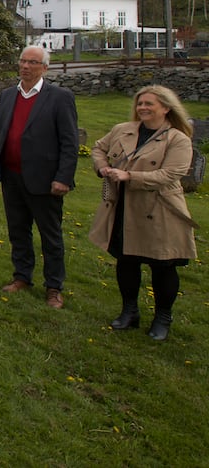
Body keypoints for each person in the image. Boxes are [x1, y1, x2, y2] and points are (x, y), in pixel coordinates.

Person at [90, 85, 198, 341]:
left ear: (166, 107)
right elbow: (98, 148)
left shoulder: (177, 139)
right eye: (140, 104)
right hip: (124, 206)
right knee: (126, 260)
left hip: (160, 209)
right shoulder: (123, 130)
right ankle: (129, 311)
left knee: (163, 265)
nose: (143, 108)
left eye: (149, 104)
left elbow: (172, 173)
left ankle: (162, 317)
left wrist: (130, 176)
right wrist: (102, 167)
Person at [0, 46, 79, 309]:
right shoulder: (7, 96)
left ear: (45, 68)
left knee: (50, 236)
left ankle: (54, 287)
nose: (26, 66)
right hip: (12, 177)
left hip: (45, 180)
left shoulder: (59, 98)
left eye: (33, 62)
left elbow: (69, 142)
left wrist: (63, 177)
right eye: (23, 61)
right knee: (18, 231)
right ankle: (22, 277)